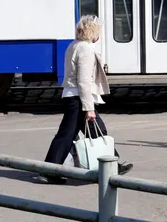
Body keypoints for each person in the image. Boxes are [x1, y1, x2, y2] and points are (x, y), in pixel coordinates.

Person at [41, 15, 133, 181]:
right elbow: (84, 81)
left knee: (75, 134)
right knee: (77, 134)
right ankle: (49, 172)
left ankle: (50, 170)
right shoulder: (85, 49)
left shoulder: (74, 45)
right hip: (80, 99)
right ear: (93, 32)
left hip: (74, 97)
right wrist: (89, 108)